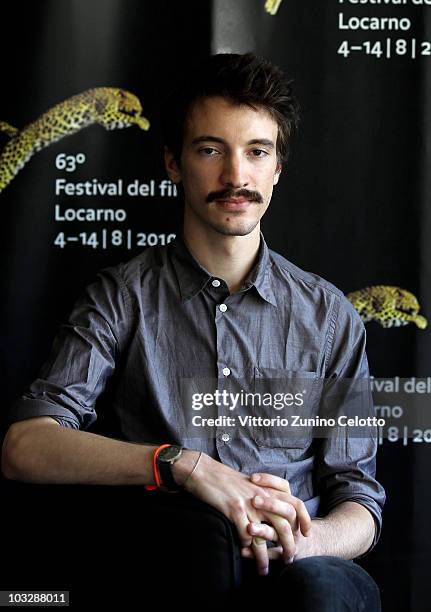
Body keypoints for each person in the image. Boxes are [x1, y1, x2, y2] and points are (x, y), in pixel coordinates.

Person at [1, 53, 385, 609]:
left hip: (302, 570)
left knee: (319, 588)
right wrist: (182, 465)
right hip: (174, 564)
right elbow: (25, 445)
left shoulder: (331, 318)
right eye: (211, 150)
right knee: (197, 543)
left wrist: (306, 540)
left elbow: (359, 502)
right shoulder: (122, 297)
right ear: (174, 164)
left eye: (257, 152)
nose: (236, 176)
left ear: (277, 168)